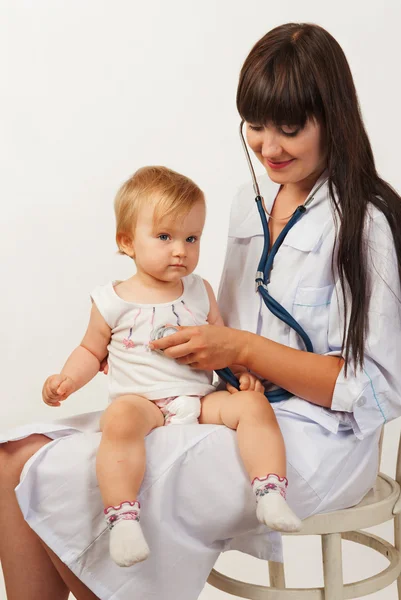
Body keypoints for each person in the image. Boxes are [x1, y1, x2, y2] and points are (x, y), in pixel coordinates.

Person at [1, 21, 401, 600]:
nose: (269, 148)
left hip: (317, 440)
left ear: (332, 118)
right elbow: (219, 319)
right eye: (256, 127)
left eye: (290, 129)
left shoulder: (366, 224)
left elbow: (374, 391)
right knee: (16, 456)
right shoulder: (248, 204)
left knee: (70, 478)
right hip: (219, 406)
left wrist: (241, 351)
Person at [41, 165, 301, 568]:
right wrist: (67, 380)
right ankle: (124, 518)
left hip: (199, 398)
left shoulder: (199, 290)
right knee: (120, 421)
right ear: (126, 242)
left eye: (191, 238)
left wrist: (240, 374)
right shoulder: (112, 300)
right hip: (143, 402)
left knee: (253, 407)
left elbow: (221, 339)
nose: (180, 249)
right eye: (164, 237)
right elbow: (91, 352)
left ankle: (269, 492)